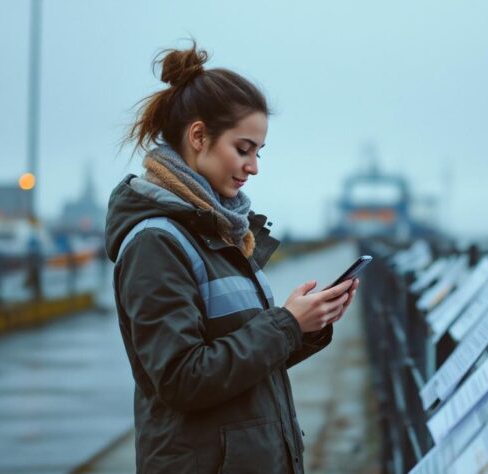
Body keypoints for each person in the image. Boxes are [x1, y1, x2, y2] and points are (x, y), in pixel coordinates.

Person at [104, 41, 360, 473]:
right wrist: (286, 324)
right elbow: (182, 379)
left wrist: (306, 325)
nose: (254, 166)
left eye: (259, 152)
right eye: (243, 149)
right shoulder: (157, 243)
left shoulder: (222, 235)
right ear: (199, 136)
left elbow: (239, 363)